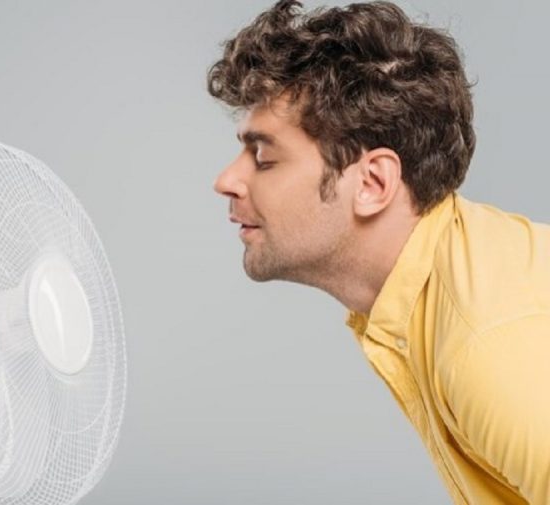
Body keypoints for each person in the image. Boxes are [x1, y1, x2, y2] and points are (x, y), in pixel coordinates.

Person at [208, 1, 550, 503]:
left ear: (372, 182)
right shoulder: (428, 297)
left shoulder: (489, 349)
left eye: (263, 156)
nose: (225, 180)